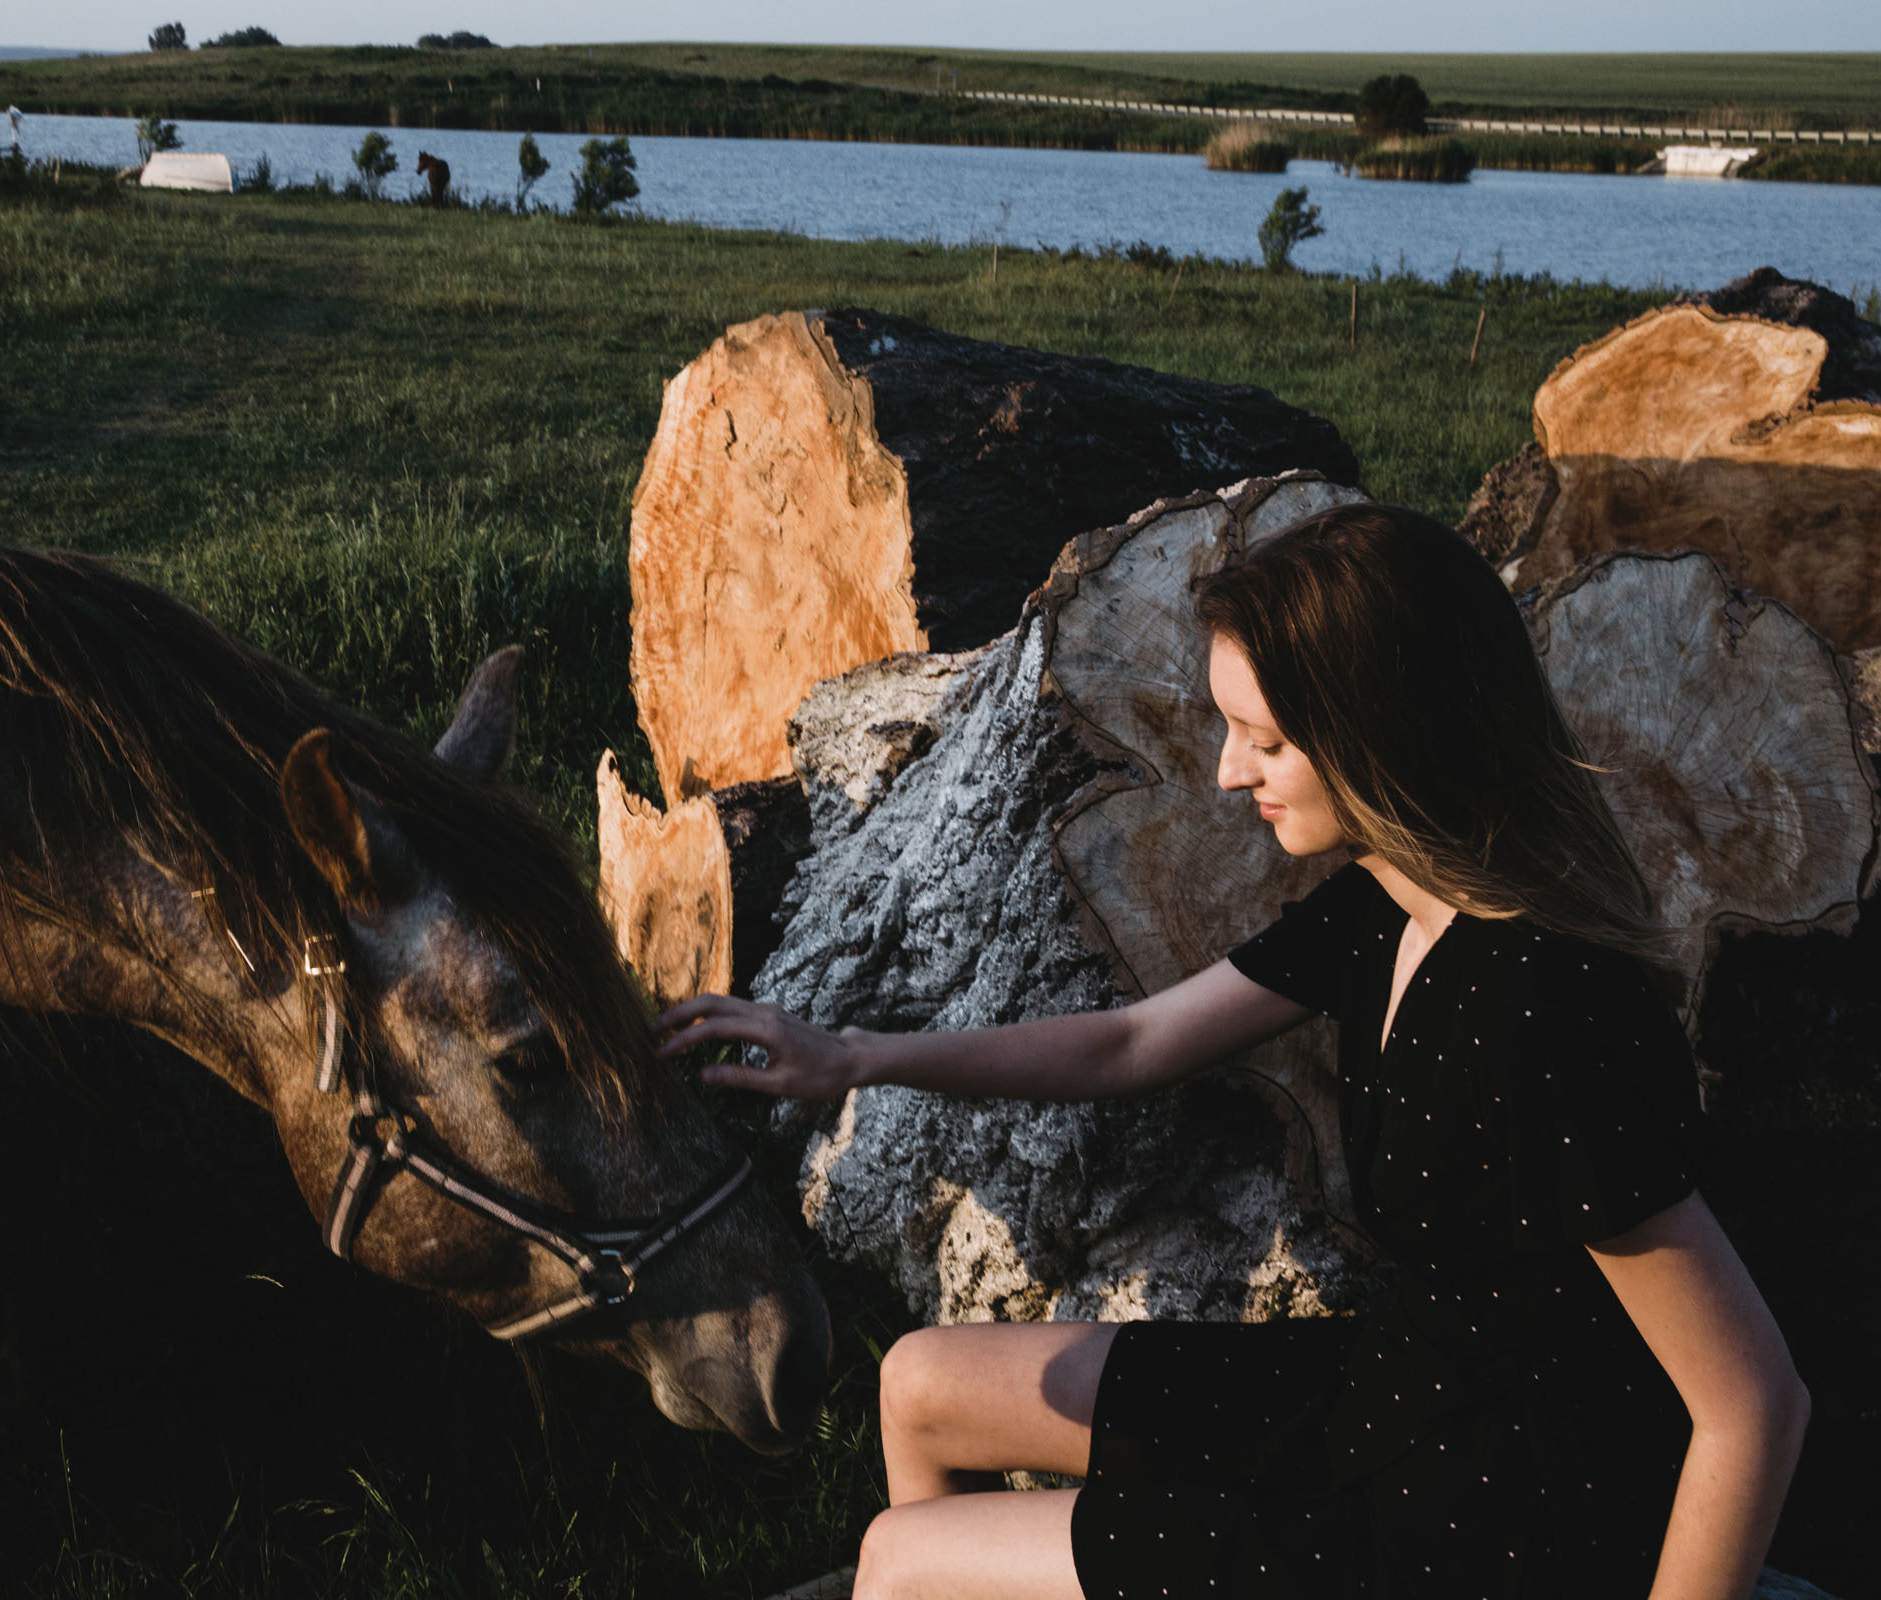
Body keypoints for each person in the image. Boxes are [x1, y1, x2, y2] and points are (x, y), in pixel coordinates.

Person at [655, 503, 1809, 1600]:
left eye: (1264, 738)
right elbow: (1130, 1041)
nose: (1225, 771)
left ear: (1382, 733)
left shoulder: (1546, 1011)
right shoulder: (1386, 907)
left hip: (1484, 1521)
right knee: (920, 1384)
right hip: (1393, 1398)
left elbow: (1754, 1402)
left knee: (904, 1557)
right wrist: (850, 1054)